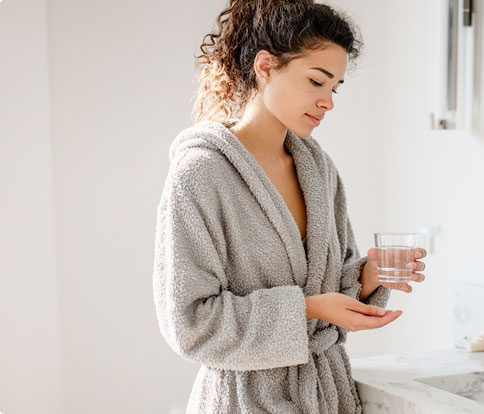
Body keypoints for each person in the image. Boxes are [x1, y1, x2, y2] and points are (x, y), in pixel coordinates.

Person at [152, 1, 427, 412]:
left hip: (325, 394)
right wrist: (309, 308)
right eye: (316, 81)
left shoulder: (317, 169)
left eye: (334, 88)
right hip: (245, 400)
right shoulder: (201, 173)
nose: (328, 102)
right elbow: (190, 323)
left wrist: (367, 276)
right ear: (265, 67)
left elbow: (329, 285)